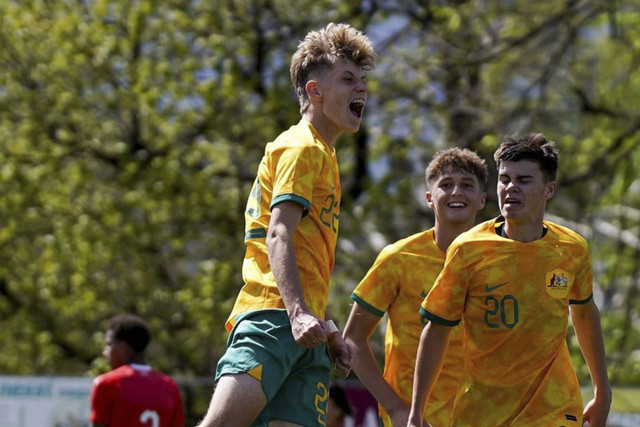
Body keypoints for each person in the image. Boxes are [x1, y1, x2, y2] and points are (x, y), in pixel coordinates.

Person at [197, 23, 376, 427]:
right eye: (347, 79)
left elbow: (309, 260)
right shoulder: (301, 147)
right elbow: (278, 233)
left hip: (306, 338)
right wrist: (297, 313)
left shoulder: (326, 157)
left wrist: (328, 329)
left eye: (363, 81)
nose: (361, 89)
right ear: (315, 91)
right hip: (272, 320)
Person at [408, 133, 612, 427]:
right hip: (482, 412)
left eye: (524, 180)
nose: (510, 188)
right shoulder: (468, 249)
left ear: (549, 189)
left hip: (553, 410)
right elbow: (436, 330)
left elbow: (583, 312)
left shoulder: (572, 249)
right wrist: (416, 414)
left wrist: (602, 391)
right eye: (504, 179)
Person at [343, 148, 488, 427]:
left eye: (467, 186)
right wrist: (396, 409)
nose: (457, 192)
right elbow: (353, 341)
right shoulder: (398, 258)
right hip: (415, 421)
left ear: (481, 199)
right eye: (446, 185)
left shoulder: (498, 261)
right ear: (429, 199)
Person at [90, 314, 184, 427]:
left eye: (109, 344)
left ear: (123, 349)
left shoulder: (108, 383)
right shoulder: (170, 387)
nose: (105, 352)